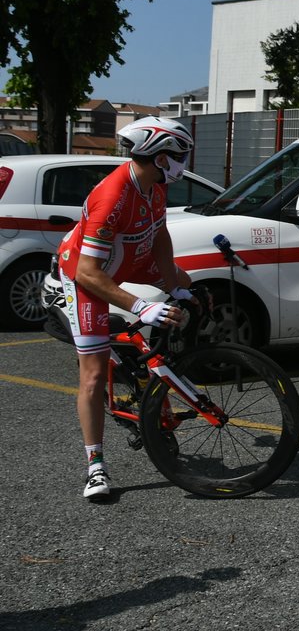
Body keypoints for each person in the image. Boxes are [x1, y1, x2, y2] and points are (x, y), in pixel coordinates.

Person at [56, 117, 197, 501]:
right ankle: (95, 466)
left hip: (127, 255)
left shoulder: (154, 186)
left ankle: (152, 371)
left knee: (189, 288)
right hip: (87, 273)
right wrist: (140, 307)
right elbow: (88, 271)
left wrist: (173, 286)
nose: (186, 160)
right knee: (93, 374)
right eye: (181, 153)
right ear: (160, 155)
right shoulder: (113, 196)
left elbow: (160, 236)